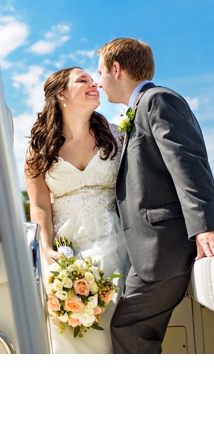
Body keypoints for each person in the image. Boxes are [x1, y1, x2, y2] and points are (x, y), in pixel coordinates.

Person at [96, 38, 214, 354]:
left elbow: (187, 163)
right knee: (127, 328)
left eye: (101, 72)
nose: (99, 81)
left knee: (128, 329)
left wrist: (206, 227)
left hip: (169, 248)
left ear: (116, 70)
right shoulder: (140, 107)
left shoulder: (157, 100)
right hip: (153, 251)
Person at [24, 67, 129, 354]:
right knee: (69, 330)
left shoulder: (117, 136)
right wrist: (46, 248)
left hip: (115, 236)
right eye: (83, 80)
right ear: (61, 95)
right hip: (65, 243)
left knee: (113, 320)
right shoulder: (39, 149)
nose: (94, 83)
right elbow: (40, 205)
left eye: (93, 79)